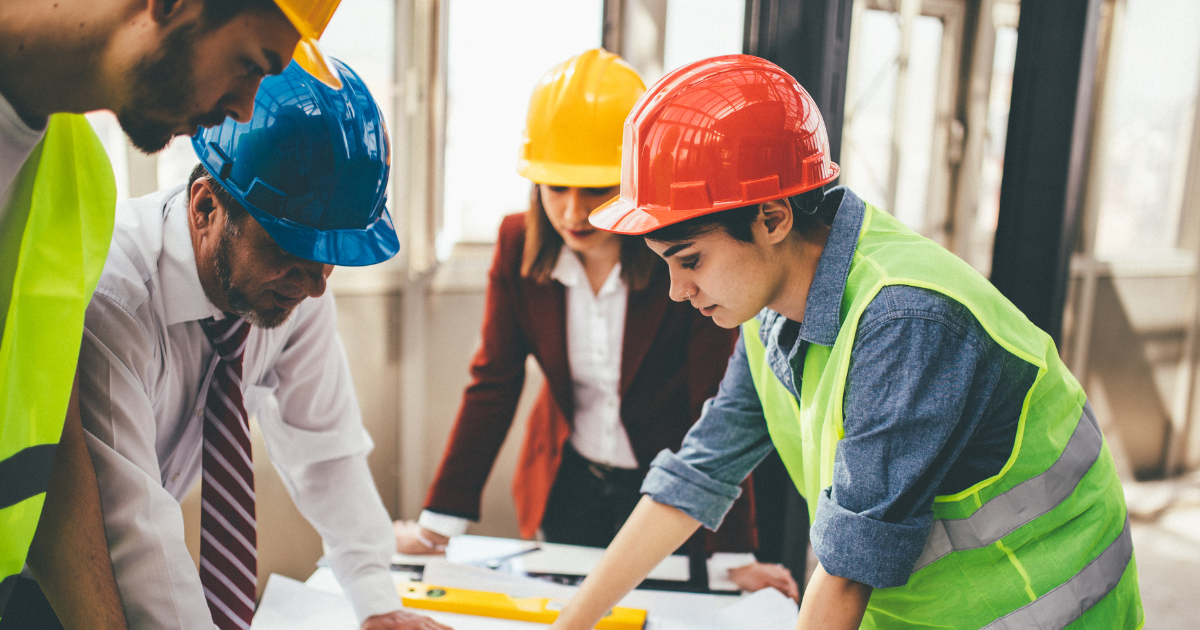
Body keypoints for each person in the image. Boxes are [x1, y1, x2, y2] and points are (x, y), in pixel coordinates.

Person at [550, 55, 1144, 629]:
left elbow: (847, 572)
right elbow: (696, 477)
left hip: (1043, 612)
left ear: (773, 219)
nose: (678, 291)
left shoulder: (905, 321)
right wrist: (569, 625)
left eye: (691, 261)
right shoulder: (766, 311)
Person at [392, 49, 796, 598]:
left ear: (631, 181)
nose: (573, 212)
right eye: (557, 188)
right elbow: (493, 384)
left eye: (595, 189)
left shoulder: (682, 257)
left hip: (668, 487)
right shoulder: (516, 245)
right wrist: (439, 524)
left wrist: (735, 557)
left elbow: (720, 402)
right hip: (566, 481)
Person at [0, 0, 346, 626]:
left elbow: (56, 446)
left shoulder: (73, 175)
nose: (244, 110)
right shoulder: (119, 279)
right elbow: (136, 529)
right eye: (251, 64)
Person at [76, 60, 449, 630]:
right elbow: (133, 528)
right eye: (291, 251)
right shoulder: (115, 299)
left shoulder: (291, 289)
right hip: (58, 582)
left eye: (332, 256)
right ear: (206, 207)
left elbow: (325, 448)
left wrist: (378, 603)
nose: (317, 283)